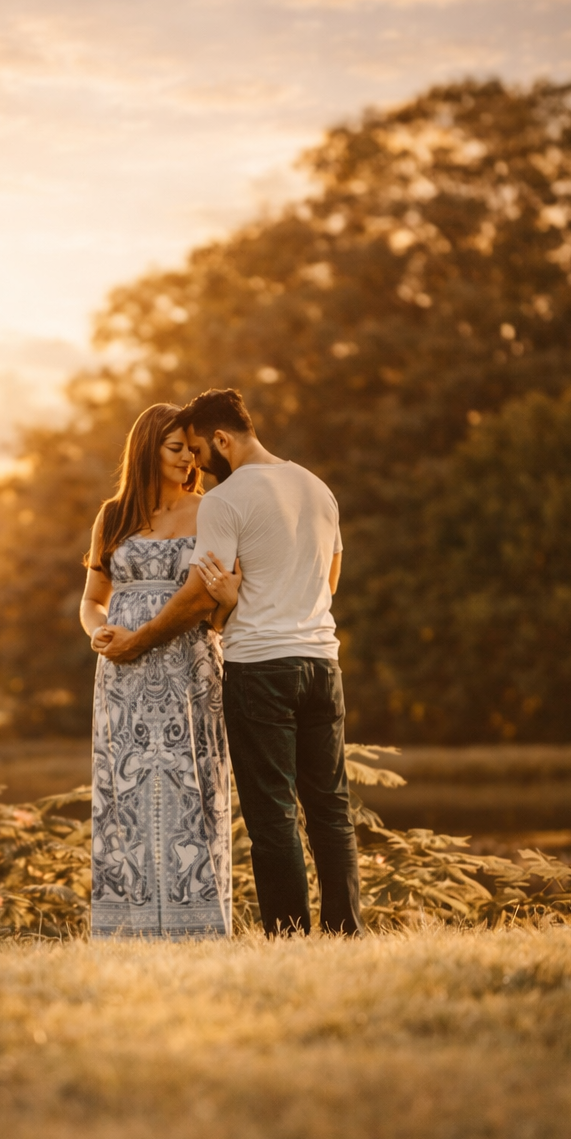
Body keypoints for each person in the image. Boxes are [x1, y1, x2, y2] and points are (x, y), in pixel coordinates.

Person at [97, 388, 364, 938]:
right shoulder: (317, 487)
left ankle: (289, 937)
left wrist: (143, 638)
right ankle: (345, 933)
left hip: (261, 666)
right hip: (321, 661)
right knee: (331, 810)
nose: (197, 462)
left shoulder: (225, 499)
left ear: (222, 439)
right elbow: (329, 581)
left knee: (272, 816)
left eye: (198, 448)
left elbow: (198, 593)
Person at [80, 404, 240, 938]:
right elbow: (92, 600)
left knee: (190, 788)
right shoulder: (113, 515)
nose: (189, 459)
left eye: (191, 449)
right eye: (176, 449)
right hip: (121, 678)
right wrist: (97, 632)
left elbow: (216, 595)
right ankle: (126, 928)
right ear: (147, 449)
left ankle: (197, 926)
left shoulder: (210, 510)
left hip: (187, 669)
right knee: (123, 795)